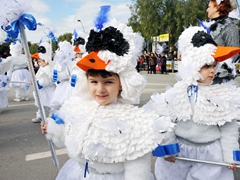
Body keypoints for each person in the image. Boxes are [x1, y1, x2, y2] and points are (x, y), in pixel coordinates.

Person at [41, 6, 175, 180]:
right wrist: (52, 129)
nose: (100, 89)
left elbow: (137, 169)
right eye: (94, 82)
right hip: (78, 173)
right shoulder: (77, 106)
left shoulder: (133, 120)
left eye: (108, 82)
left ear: (121, 83)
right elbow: (66, 135)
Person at [144, 26, 240, 180]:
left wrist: (230, 154)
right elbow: (165, 121)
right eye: (206, 66)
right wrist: (169, 147)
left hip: (210, 155)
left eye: (214, 65)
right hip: (180, 152)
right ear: (192, 64)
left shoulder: (221, 94)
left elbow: (229, 128)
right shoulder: (177, 92)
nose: (212, 71)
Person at [205, 0, 240, 84]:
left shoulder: (230, 28)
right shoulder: (208, 27)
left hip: (220, 80)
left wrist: (216, 68)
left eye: (209, 7)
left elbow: (234, 54)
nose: (207, 10)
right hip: (204, 77)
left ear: (218, 7)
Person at [32, 41, 56, 123]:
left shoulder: (49, 68)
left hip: (49, 90)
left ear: (46, 61)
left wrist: (41, 83)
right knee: (41, 104)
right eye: (38, 61)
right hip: (42, 91)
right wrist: (35, 81)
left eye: (40, 61)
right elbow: (38, 76)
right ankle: (40, 116)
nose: (38, 63)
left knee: (51, 104)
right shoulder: (41, 68)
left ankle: (53, 115)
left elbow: (49, 79)